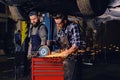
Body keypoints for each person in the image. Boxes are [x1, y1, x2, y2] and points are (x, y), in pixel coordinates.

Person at [46, 13, 84, 80]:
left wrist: (67, 52)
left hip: (74, 58)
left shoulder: (73, 26)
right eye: (56, 24)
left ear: (65, 21)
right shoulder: (61, 30)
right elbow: (58, 42)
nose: (58, 26)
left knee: (72, 77)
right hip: (65, 58)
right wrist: (51, 42)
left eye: (59, 23)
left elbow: (77, 44)